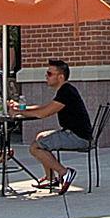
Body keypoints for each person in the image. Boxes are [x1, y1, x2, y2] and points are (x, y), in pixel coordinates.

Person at [22, 58, 94, 192]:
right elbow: (45, 107)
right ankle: (50, 179)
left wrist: (20, 112)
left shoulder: (66, 92)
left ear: (60, 77)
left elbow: (43, 113)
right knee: (41, 137)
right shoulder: (65, 90)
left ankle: (64, 173)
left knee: (35, 147)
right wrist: (22, 109)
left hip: (78, 137)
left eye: (49, 74)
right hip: (73, 133)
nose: (46, 77)